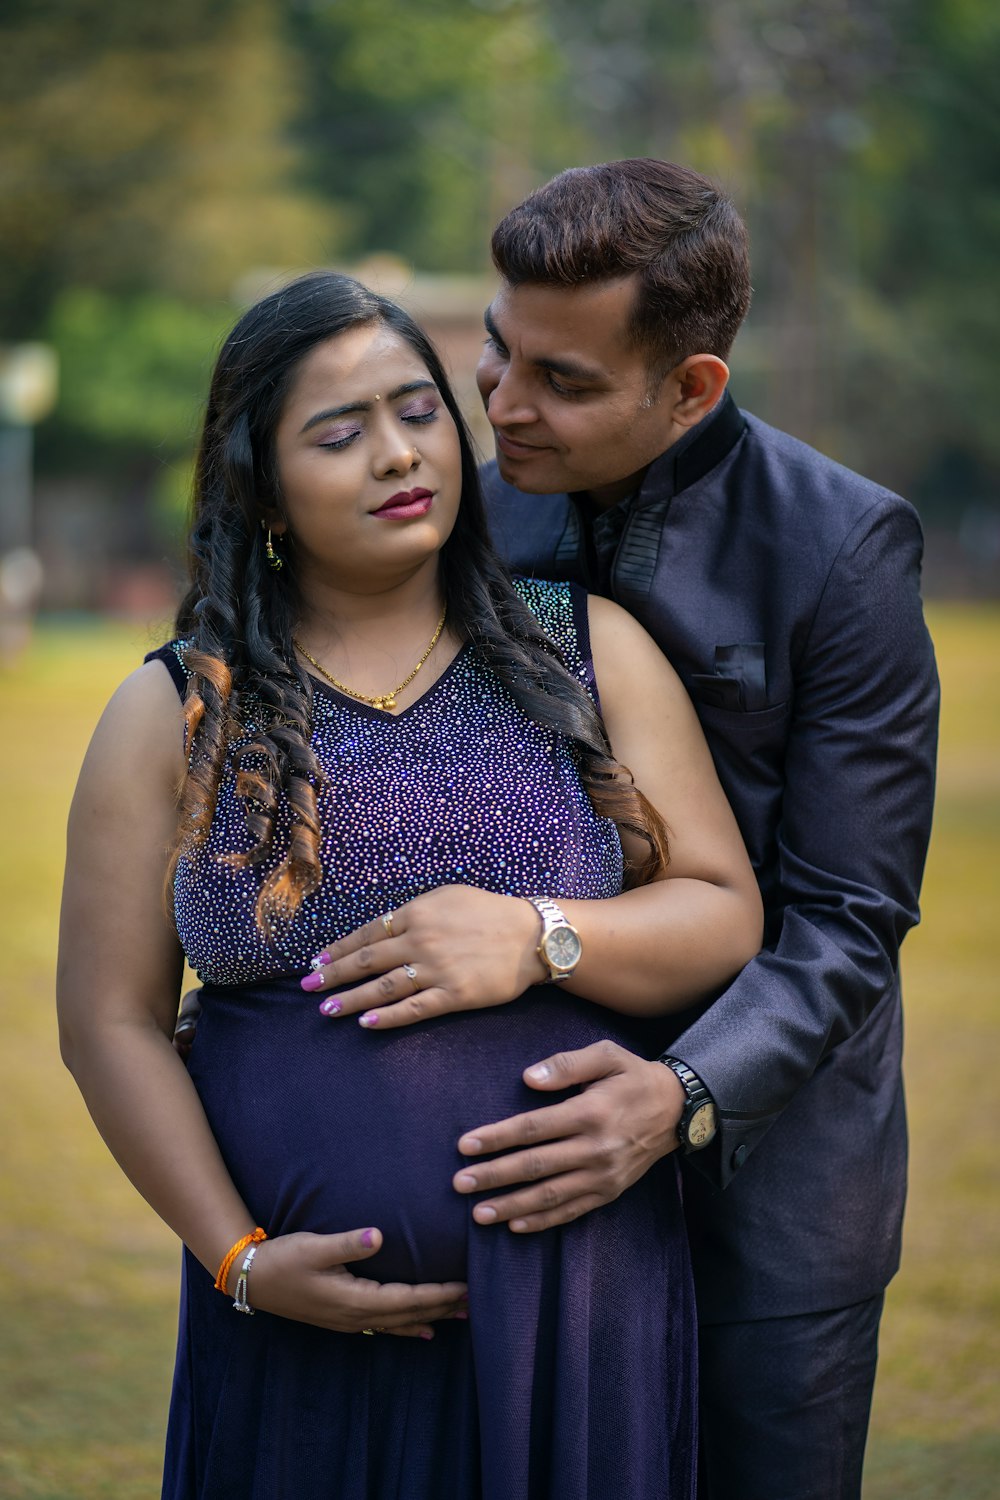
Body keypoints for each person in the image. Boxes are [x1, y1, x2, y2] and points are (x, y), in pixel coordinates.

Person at [57, 270, 763, 1499]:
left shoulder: (586, 648)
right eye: (340, 433)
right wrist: (239, 1260)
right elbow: (109, 1021)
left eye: (418, 410)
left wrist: (542, 936)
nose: (398, 454)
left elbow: (721, 908)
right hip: (296, 1326)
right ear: (261, 484)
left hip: (575, 1303)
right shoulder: (178, 707)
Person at [440, 159, 938, 1500]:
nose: (502, 402)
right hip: (503, 1154)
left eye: (565, 381)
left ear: (692, 387)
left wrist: (683, 1095)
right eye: (499, 352)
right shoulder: (473, 513)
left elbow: (849, 916)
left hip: (771, 1201)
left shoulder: (844, 552)